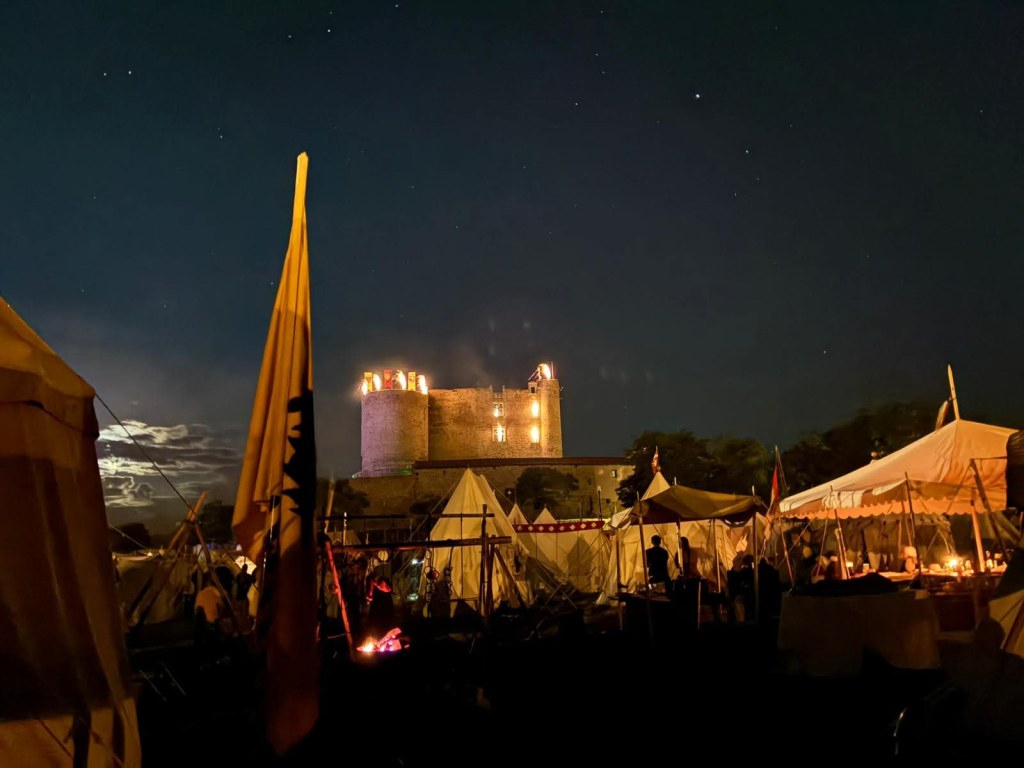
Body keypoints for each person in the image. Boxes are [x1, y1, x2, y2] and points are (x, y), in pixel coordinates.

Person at [365, 569, 395, 637]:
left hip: (383, 608)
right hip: (377, 608)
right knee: (376, 624)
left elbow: (388, 589)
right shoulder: (373, 582)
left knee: (383, 624)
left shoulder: (383, 586)